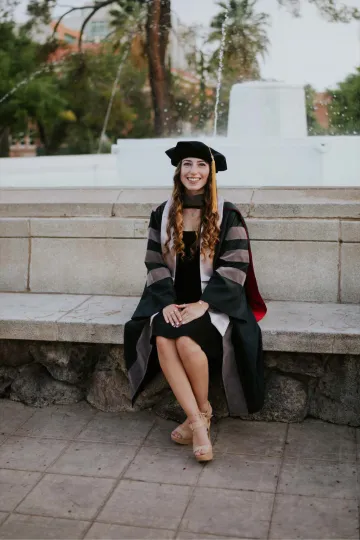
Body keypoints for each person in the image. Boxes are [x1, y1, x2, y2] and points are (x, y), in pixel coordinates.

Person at [124, 141, 267, 463]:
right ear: (179, 171)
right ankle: (201, 420)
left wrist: (205, 304)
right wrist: (166, 302)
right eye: (188, 164)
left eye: (201, 165)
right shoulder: (162, 214)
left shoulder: (227, 214)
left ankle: (197, 419)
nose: (194, 171)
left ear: (210, 173)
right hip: (171, 298)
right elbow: (153, 262)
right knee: (162, 338)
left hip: (215, 300)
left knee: (187, 344)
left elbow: (236, 264)